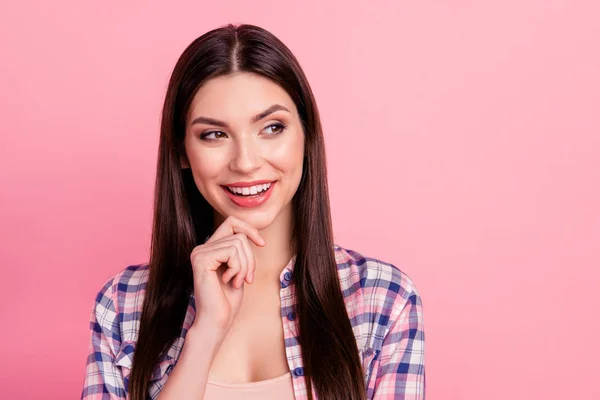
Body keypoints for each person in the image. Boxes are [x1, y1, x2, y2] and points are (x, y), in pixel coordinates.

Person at [80, 23, 425, 400]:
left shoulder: (382, 300)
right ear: (181, 151)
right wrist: (206, 332)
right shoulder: (125, 306)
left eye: (272, 127)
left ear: (306, 136)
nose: (245, 163)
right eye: (214, 134)